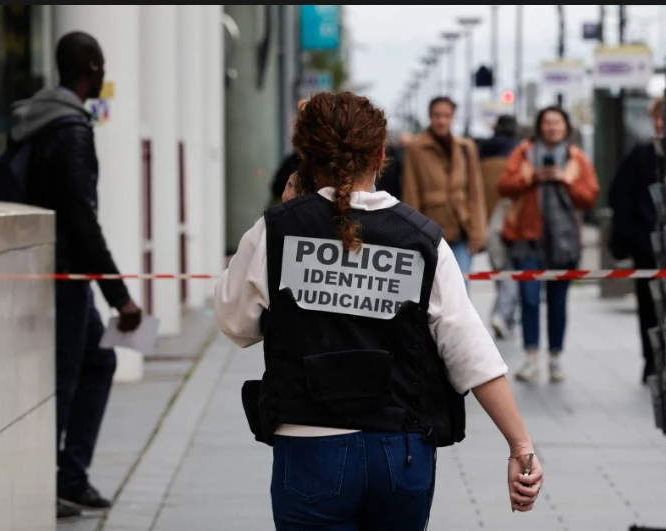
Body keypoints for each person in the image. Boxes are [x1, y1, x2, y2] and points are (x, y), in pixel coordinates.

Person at [215, 91, 543, 530]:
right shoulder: (422, 239)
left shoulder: (277, 230)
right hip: (400, 450)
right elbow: (471, 352)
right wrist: (521, 448)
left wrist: (287, 209)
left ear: (307, 157)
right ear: (381, 155)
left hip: (309, 448)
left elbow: (236, 323)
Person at [11, 31, 143, 519]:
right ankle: (42, 487)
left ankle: (69, 477)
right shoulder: (68, 129)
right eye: (102, 64)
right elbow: (80, 218)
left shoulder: (36, 119)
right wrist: (120, 297)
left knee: (98, 362)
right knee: (63, 380)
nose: (104, 73)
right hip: (63, 274)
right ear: (90, 67)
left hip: (59, 270)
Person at [499, 106, 599, 383]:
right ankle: (531, 357)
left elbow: (590, 197)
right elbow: (504, 186)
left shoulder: (576, 158)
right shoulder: (523, 153)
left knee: (558, 302)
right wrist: (532, 177)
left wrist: (566, 179)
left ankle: (555, 357)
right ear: (539, 126)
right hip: (528, 239)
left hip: (564, 241)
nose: (552, 127)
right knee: (529, 299)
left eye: (557, 123)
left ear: (566, 127)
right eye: (547, 122)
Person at [401, 96, 487, 284]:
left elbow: (475, 192)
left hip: (462, 226)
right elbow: (411, 192)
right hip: (431, 229)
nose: (442, 120)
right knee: (433, 290)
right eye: (437, 115)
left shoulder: (466, 147)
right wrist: (412, 235)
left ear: (453, 117)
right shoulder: (417, 148)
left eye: (446, 116)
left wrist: (478, 234)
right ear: (430, 117)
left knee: (461, 289)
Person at [608, 97, 663, 383]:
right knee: (650, 306)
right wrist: (635, 237)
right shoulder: (642, 155)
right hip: (649, 248)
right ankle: (652, 360)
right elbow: (620, 195)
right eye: (658, 117)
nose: (661, 123)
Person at [480, 115, 522, 340]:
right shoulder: (518, 155)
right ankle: (502, 314)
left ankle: (506, 315)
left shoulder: (482, 154)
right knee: (510, 269)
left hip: (486, 220)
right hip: (511, 220)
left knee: (501, 269)